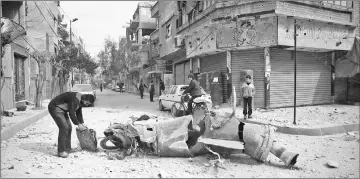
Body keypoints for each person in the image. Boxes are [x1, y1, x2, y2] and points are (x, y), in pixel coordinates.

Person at [48, 92, 95, 158]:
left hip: (63, 110)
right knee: (64, 127)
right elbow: (72, 113)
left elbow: (78, 113)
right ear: (84, 99)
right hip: (55, 107)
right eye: (87, 103)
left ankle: (67, 149)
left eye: (88, 104)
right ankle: (61, 151)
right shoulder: (75, 99)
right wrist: (78, 124)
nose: (86, 105)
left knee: (69, 127)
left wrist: (82, 123)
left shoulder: (81, 100)